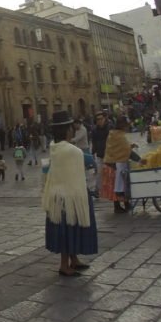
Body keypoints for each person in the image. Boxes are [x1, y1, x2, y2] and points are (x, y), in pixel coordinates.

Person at [43, 111, 98, 276]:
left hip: (57, 195)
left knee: (68, 228)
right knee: (68, 229)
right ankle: (64, 266)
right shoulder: (71, 150)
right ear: (67, 130)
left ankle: (73, 260)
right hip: (71, 196)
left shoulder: (55, 147)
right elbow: (88, 161)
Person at [101, 116, 132, 214]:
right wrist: (140, 159)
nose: (127, 127)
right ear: (122, 125)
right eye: (126, 125)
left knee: (118, 186)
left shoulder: (113, 133)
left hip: (111, 163)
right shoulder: (119, 136)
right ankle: (118, 206)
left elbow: (121, 148)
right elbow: (126, 150)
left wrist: (130, 146)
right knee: (118, 186)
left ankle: (125, 204)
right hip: (113, 165)